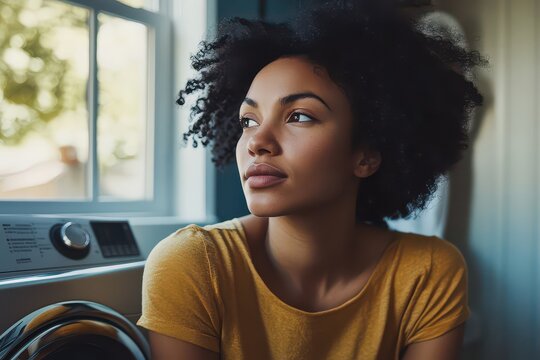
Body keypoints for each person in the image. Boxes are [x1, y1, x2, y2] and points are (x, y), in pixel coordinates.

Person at [136, 1, 487, 359]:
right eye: (248, 120)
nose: (257, 142)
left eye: (299, 116)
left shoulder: (427, 272)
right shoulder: (193, 264)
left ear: (365, 155)